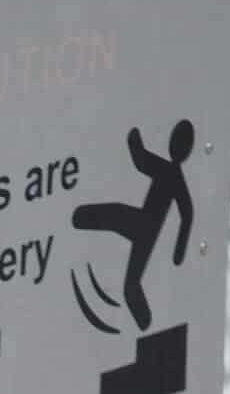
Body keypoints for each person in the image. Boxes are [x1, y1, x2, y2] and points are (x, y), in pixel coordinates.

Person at [69, 118, 195, 332]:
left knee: (114, 215)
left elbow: (140, 159)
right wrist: (178, 251)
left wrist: (133, 137)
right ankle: (144, 322)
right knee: (131, 282)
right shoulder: (172, 173)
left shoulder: (168, 172)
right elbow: (187, 214)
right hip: (149, 229)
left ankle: (79, 217)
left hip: (144, 224)